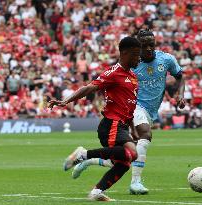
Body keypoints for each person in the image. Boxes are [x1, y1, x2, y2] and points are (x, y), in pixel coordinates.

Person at [72, 29, 185, 195]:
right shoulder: (133, 64)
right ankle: (136, 182)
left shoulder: (166, 59)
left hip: (151, 111)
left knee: (125, 157)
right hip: (135, 108)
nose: (148, 49)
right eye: (143, 46)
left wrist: (181, 95)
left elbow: (180, 76)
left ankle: (87, 160)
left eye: (151, 45)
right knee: (145, 134)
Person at [47, 36, 141, 201]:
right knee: (132, 153)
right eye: (135, 54)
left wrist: (133, 129)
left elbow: (130, 106)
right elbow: (89, 88)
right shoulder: (113, 73)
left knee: (124, 163)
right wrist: (66, 101)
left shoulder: (133, 77)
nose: (138, 58)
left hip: (122, 126)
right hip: (112, 124)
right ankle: (83, 155)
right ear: (124, 53)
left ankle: (96, 192)